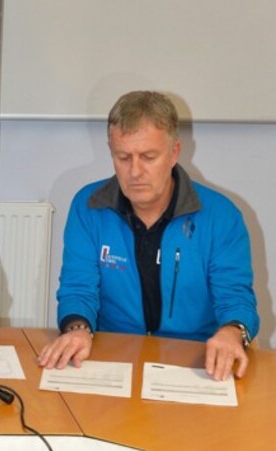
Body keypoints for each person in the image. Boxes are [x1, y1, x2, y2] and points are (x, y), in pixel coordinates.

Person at [38, 91, 259, 381]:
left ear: (174, 152)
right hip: (110, 358)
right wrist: (78, 329)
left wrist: (232, 332)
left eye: (148, 157)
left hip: (196, 361)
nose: (135, 171)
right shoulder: (88, 206)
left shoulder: (221, 216)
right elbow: (78, 290)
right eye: (123, 157)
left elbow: (235, 299)